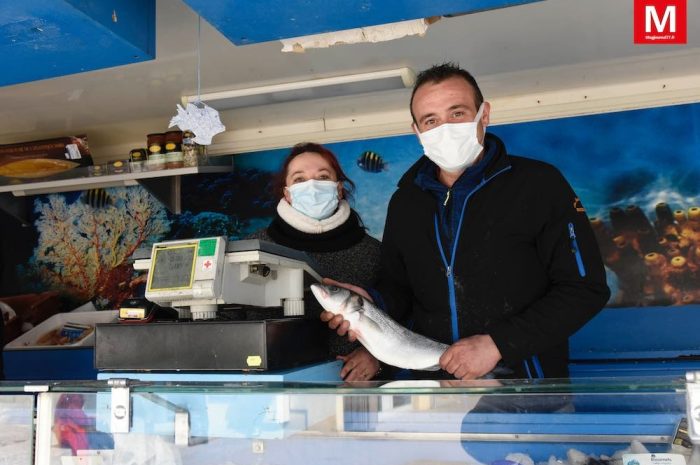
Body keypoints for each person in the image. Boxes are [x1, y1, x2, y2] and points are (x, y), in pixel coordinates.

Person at [322, 63, 610, 380]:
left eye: (457, 113)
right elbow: (400, 288)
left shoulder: (539, 184)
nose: (444, 128)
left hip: (529, 387)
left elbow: (585, 289)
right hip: (434, 390)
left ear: (483, 115)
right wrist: (370, 306)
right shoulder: (405, 203)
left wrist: (498, 344)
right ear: (417, 131)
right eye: (430, 120)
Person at [248, 142, 382, 381]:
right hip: (270, 390)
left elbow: (403, 317)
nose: (312, 186)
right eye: (299, 179)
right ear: (287, 193)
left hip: (354, 391)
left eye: (323, 177)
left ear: (339, 189)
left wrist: (376, 356)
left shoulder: (373, 251)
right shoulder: (255, 247)